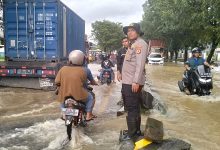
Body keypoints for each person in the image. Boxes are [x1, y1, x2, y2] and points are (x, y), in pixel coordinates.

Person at [121, 23, 149, 141]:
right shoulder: (133, 44)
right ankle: (136, 130)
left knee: (131, 107)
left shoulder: (140, 44)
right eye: (128, 31)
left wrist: (136, 81)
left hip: (132, 82)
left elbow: (140, 64)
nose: (129, 32)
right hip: (128, 81)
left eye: (132, 30)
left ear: (137, 32)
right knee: (135, 107)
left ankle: (132, 134)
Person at [55, 50, 95, 121]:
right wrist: (95, 83)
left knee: (61, 99)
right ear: (82, 60)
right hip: (79, 94)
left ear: (70, 60)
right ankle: (88, 115)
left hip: (65, 94)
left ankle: (63, 114)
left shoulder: (63, 69)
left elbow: (57, 82)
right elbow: (92, 81)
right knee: (90, 98)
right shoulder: (85, 70)